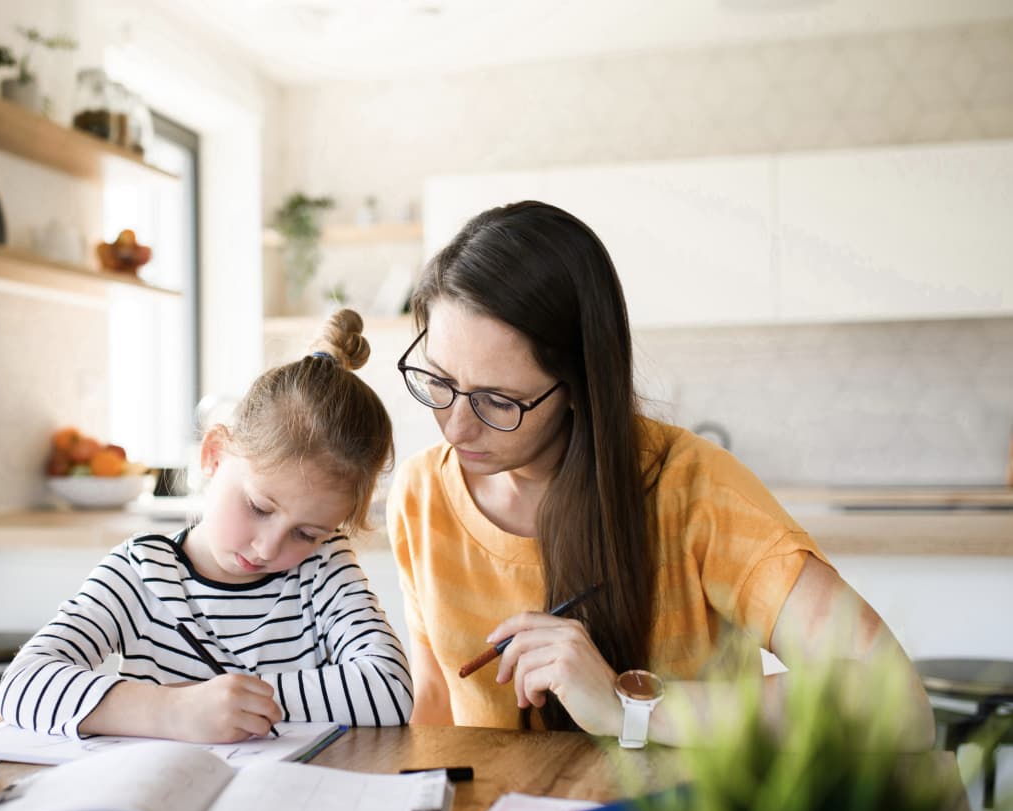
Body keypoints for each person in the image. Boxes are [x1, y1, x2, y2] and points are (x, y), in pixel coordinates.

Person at [388, 200, 933, 748]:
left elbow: (897, 704)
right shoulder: (419, 494)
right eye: (437, 380)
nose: (455, 429)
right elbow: (435, 713)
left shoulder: (694, 489)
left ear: (578, 386)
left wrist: (628, 705)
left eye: (497, 401)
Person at [0, 309, 413, 742]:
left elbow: (391, 688)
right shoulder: (141, 572)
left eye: (306, 534)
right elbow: (23, 683)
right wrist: (172, 711)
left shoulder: (323, 568)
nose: (269, 549)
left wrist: (232, 702)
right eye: (259, 507)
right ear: (214, 454)